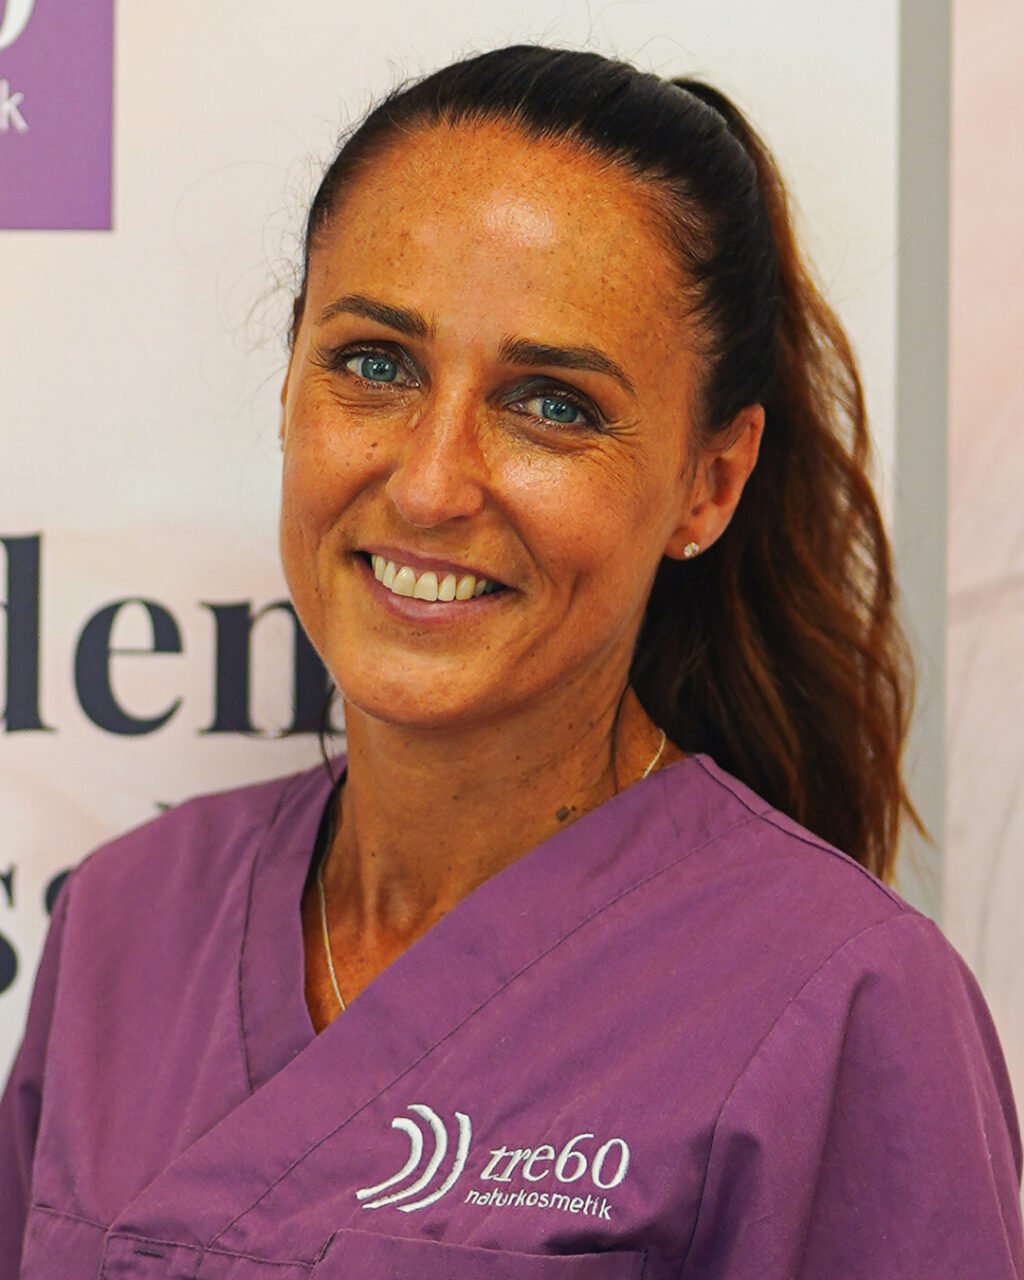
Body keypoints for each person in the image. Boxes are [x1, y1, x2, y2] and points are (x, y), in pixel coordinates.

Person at [1, 43, 1021, 1280]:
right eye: (375, 364)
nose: (431, 484)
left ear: (709, 482)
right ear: (288, 386)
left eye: (551, 402)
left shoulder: (845, 998)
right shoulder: (126, 919)